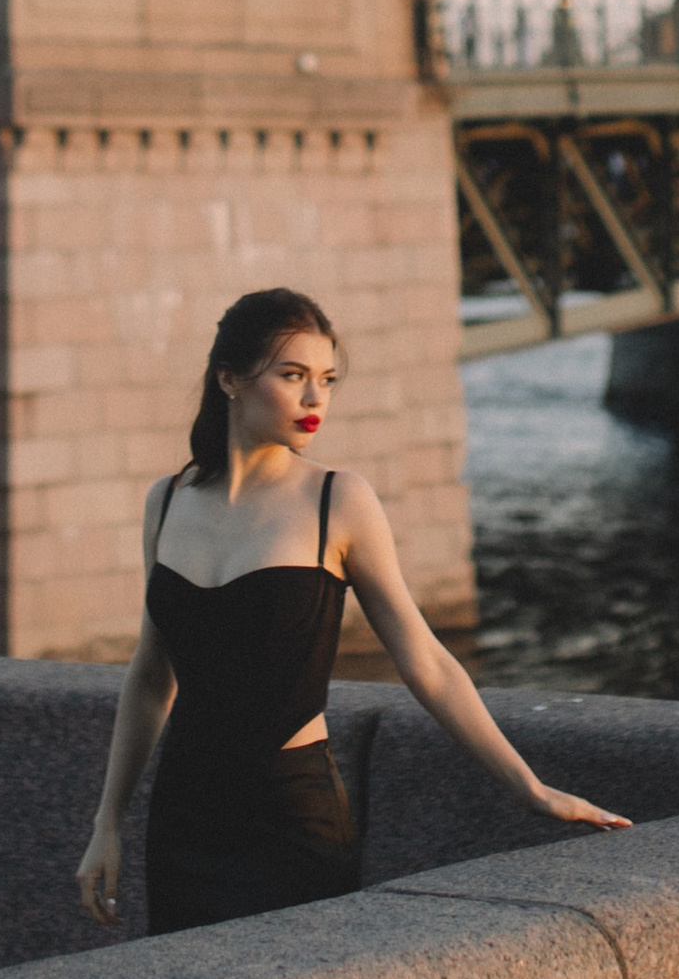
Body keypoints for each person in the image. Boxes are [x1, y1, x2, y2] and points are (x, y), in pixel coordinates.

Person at [76, 285, 629, 934]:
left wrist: (526, 787)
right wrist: (107, 823)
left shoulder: (338, 501)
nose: (316, 400)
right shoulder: (166, 502)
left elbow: (425, 661)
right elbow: (149, 678)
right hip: (184, 815)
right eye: (293, 376)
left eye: (327, 380)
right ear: (229, 379)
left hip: (293, 813)